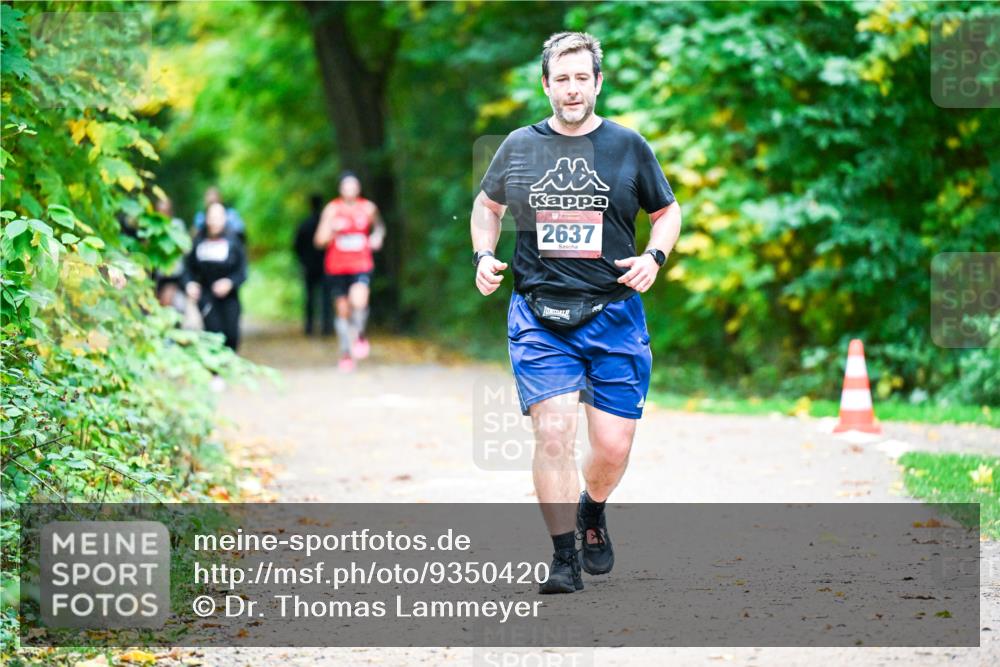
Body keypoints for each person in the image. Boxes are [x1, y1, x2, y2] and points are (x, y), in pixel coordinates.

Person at [470, 32, 682, 593]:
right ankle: (563, 557)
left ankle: (592, 508)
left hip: (613, 313)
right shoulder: (518, 146)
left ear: (597, 83)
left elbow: (668, 211)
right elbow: (486, 207)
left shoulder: (628, 146)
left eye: (581, 78)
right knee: (555, 433)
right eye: (560, 79)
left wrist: (655, 257)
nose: (571, 88)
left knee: (612, 449)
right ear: (546, 84)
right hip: (539, 313)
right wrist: (483, 256)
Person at [313, 172, 386, 372]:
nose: (350, 190)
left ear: (358, 188)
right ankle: (346, 353)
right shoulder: (332, 209)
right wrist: (332, 230)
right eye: (346, 186)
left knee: (359, 300)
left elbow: (379, 228)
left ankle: (360, 335)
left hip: (361, 264)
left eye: (353, 186)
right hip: (336, 266)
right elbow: (319, 240)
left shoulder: (368, 208)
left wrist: (376, 237)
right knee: (343, 310)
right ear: (341, 189)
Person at [183, 202, 248, 352]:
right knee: (213, 333)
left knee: (232, 335)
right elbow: (188, 269)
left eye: (218, 217)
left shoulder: (234, 240)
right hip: (206, 295)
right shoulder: (198, 240)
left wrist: (230, 283)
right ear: (206, 219)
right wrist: (189, 284)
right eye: (212, 217)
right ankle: (214, 370)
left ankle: (230, 366)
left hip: (230, 297)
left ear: (225, 219)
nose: (214, 221)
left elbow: (243, 272)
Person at [294, 193, 329, 336]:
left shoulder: (305, 224)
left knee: (310, 298)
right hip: (325, 265)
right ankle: (326, 327)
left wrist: (302, 260)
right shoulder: (326, 224)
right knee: (325, 298)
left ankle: (309, 327)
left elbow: (297, 245)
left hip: (309, 266)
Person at [153, 196, 190, 315]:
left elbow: (186, 249)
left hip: (176, 277)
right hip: (157, 277)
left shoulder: (177, 225)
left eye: (165, 211)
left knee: (175, 306)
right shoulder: (152, 225)